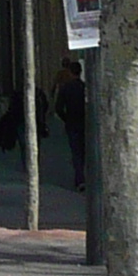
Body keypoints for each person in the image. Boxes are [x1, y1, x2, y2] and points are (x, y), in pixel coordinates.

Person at [50, 58, 91, 193]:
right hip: (84, 123)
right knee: (84, 151)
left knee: (76, 152)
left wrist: (66, 119)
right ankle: (84, 177)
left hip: (72, 123)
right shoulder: (85, 88)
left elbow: (58, 107)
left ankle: (80, 179)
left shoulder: (66, 88)